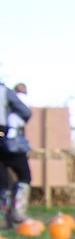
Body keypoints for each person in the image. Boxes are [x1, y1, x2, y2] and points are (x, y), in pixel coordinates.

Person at [0, 81, 34, 227]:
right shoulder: (4, 92)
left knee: (2, 181)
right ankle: (18, 213)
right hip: (7, 139)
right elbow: (26, 112)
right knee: (24, 176)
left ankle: (3, 218)